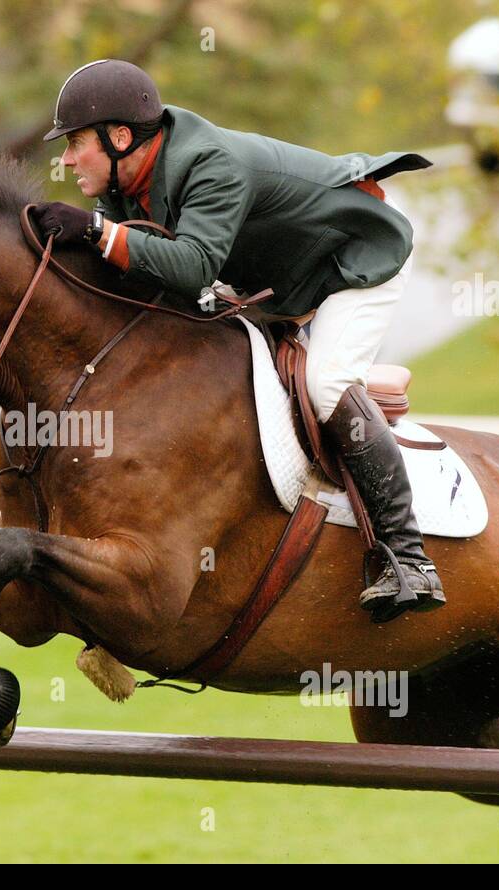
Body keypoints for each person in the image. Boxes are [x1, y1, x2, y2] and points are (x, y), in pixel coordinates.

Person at [31, 59, 443, 623]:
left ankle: (407, 556)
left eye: (76, 143)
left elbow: (195, 265)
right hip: (276, 281)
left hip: (354, 259)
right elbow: (135, 271)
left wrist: (99, 232)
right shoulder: (127, 184)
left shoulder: (208, 163)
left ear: (120, 138)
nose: (67, 158)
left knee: (325, 384)